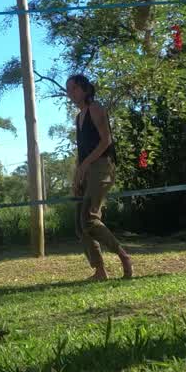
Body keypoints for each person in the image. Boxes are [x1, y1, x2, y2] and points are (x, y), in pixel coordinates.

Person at [66, 75, 132, 280]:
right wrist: (77, 174)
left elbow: (106, 141)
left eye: (74, 88)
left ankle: (124, 258)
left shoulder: (96, 108)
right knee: (80, 224)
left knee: (89, 218)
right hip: (87, 169)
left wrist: (86, 165)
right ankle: (100, 270)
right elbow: (82, 151)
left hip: (103, 166)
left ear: (85, 89)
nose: (71, 93)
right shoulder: (79, 117)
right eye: (68, 90)